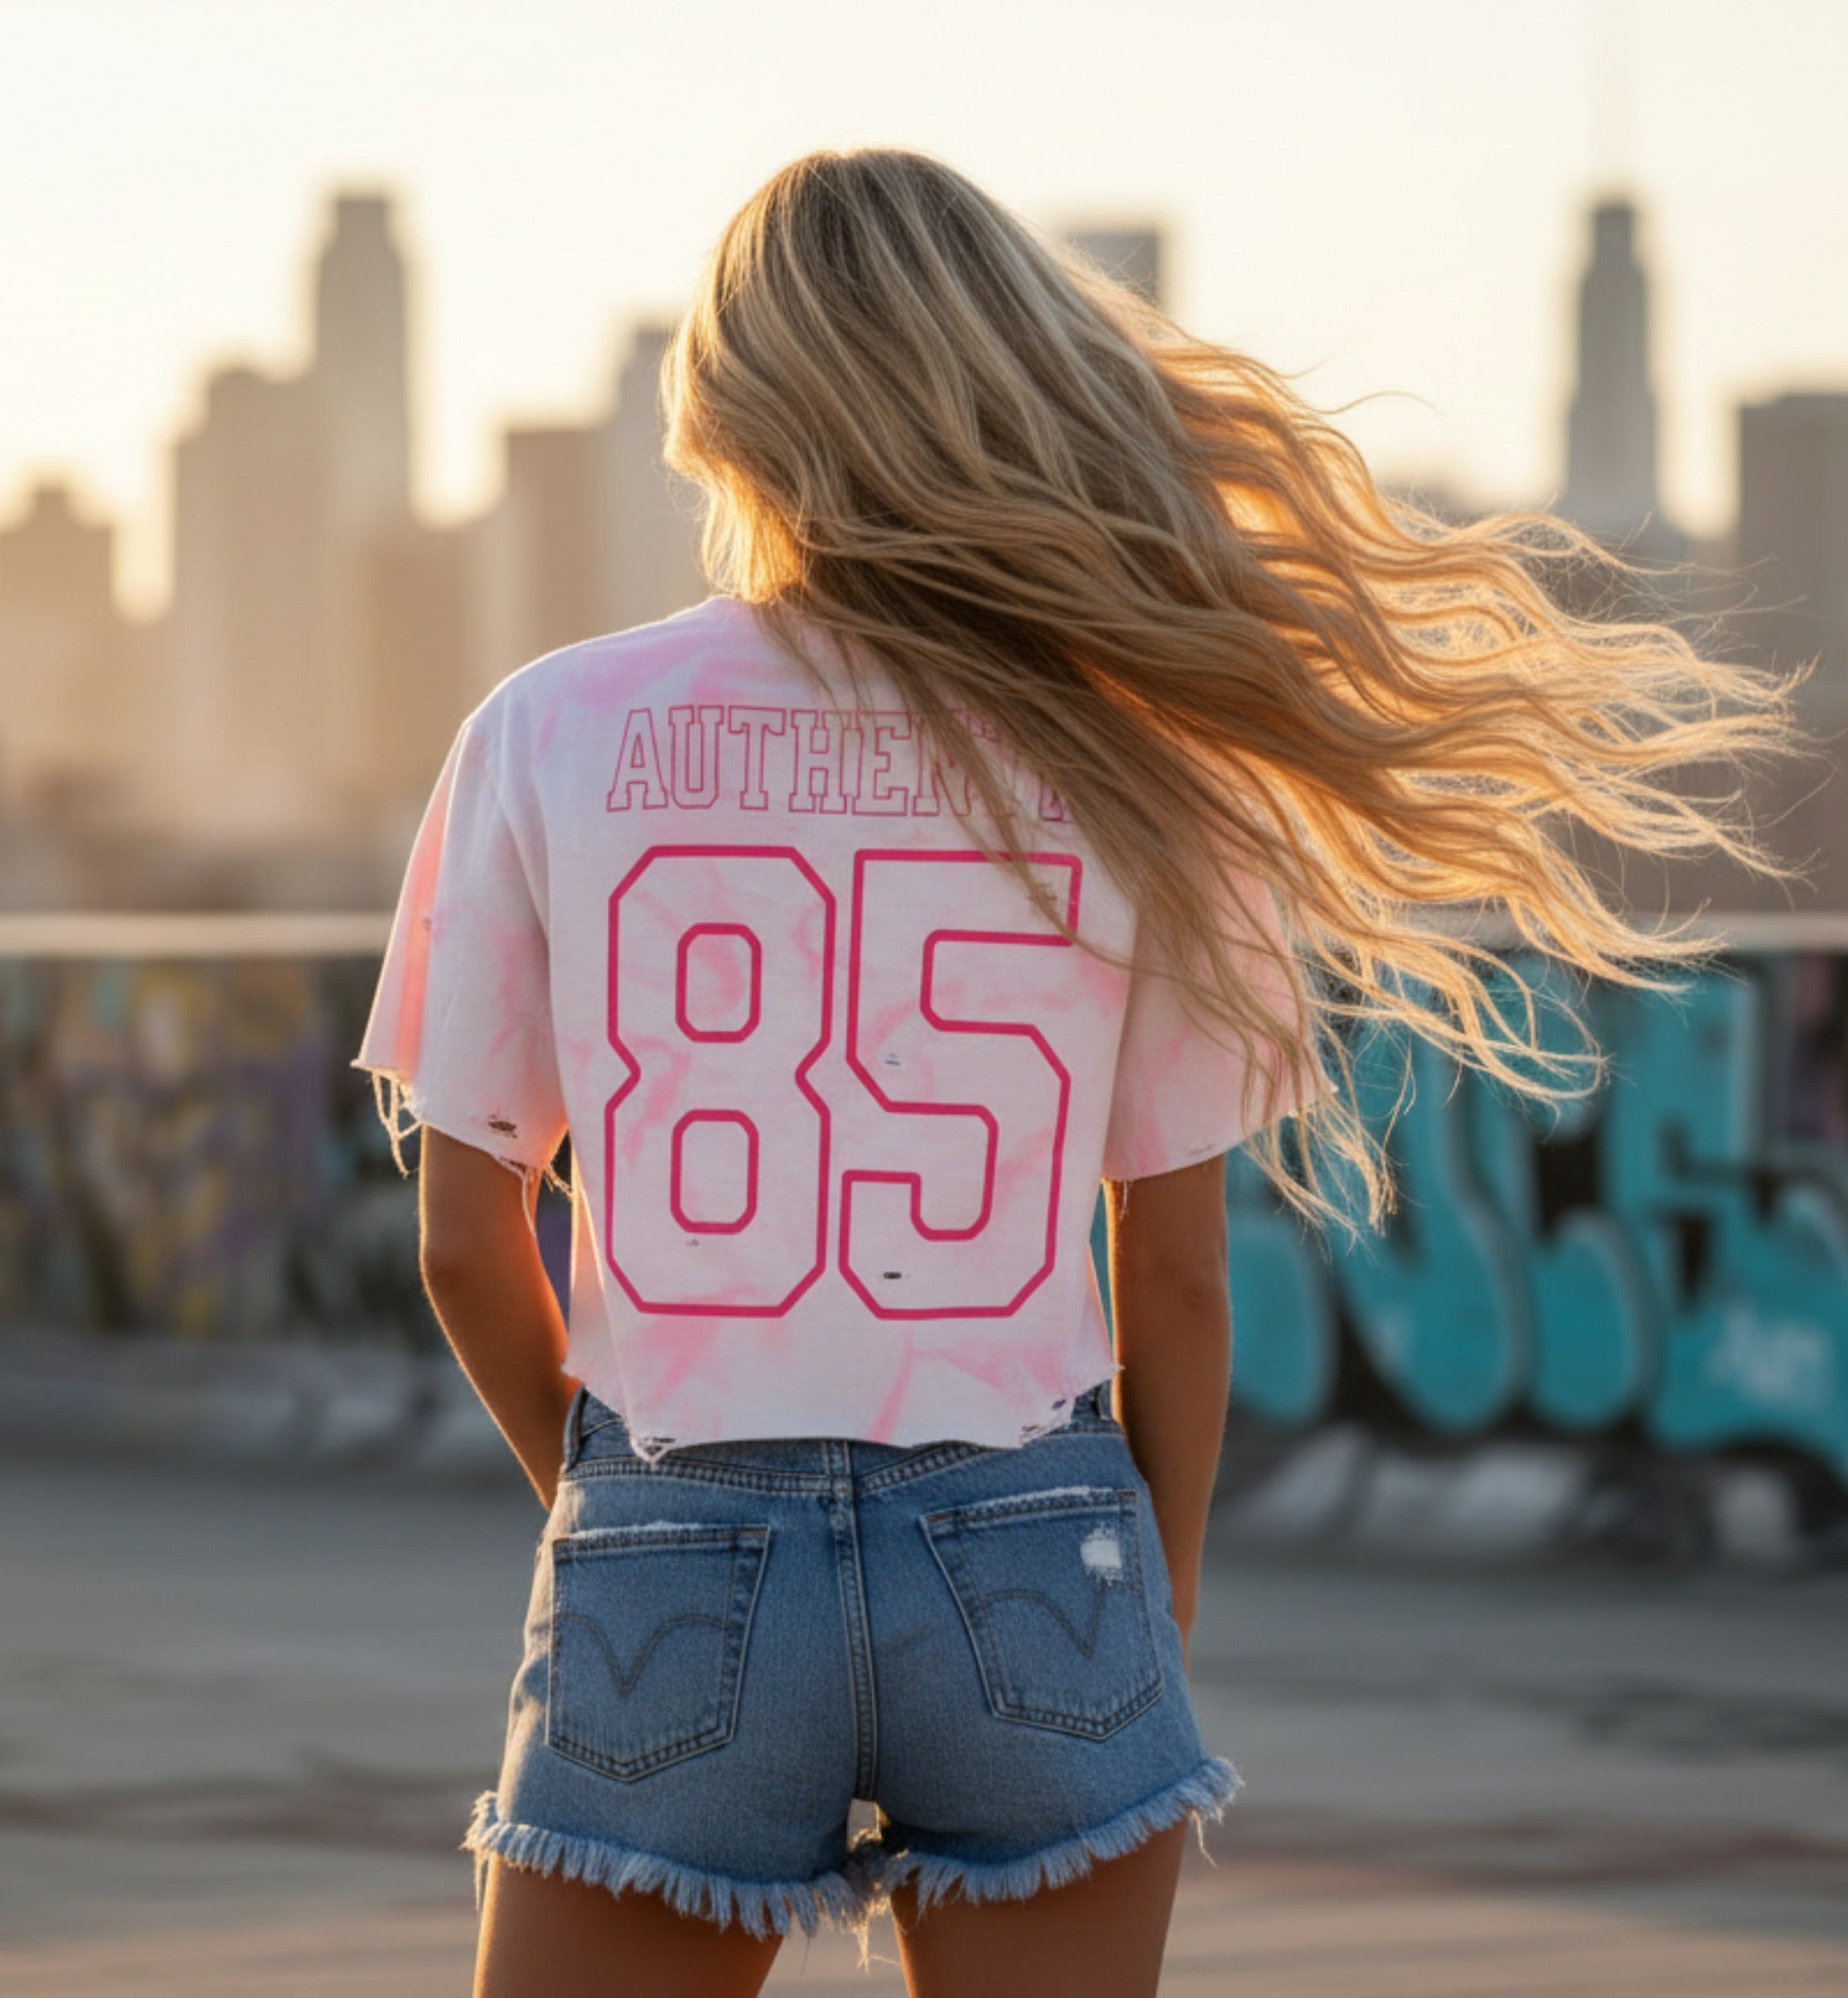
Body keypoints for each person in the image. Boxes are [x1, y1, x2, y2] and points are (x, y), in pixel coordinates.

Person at [353, 149, 1794, 1998]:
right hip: (1036, 1543)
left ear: (725, 411)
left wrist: (620, 1506)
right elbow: (1175, 1274)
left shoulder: (545, 729)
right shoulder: (1133, 765)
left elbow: (469, 1244)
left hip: (672, 1531)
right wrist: (1153, 1591)